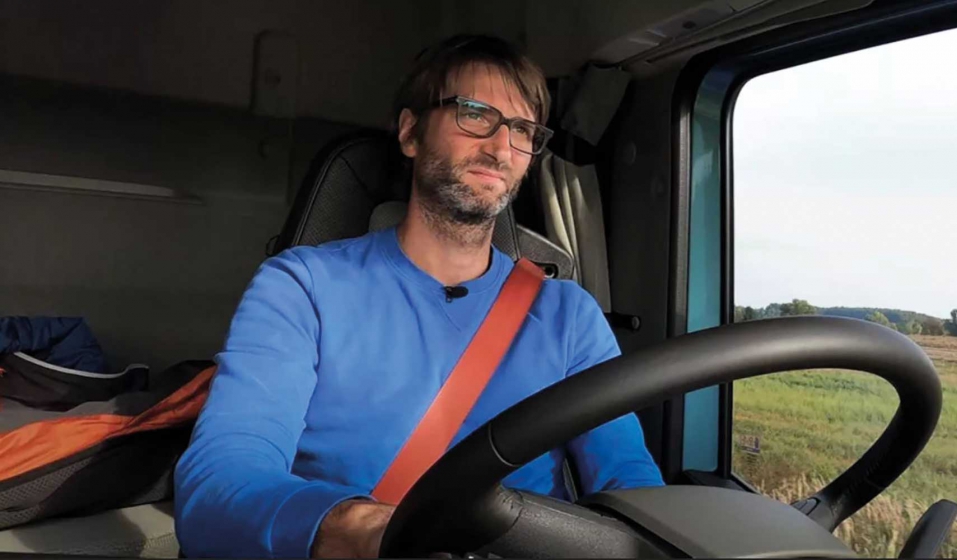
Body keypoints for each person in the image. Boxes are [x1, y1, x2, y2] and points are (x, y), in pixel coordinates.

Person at [173, 34, 664, 559]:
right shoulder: (301, 286)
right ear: (410, 133)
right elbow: (222, 482)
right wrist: (364, 530)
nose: (500, 148)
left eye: (521, 130)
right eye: (476, 114)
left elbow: (628, 482)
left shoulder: (569, 314)